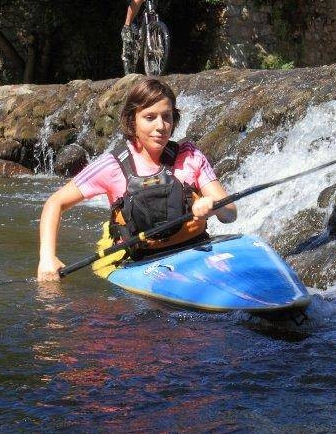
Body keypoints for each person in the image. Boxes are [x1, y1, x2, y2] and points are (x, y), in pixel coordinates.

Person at [37, 78, 236, 282]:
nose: (161, 126)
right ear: (133, 121)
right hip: (140, 261)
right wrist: (47, 258)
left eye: (166, 117)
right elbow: (55, 202)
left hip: (194, 249)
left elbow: (230, 215)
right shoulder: (111, 165)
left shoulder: (190, 156)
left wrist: (214, 206)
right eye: (150, 117)